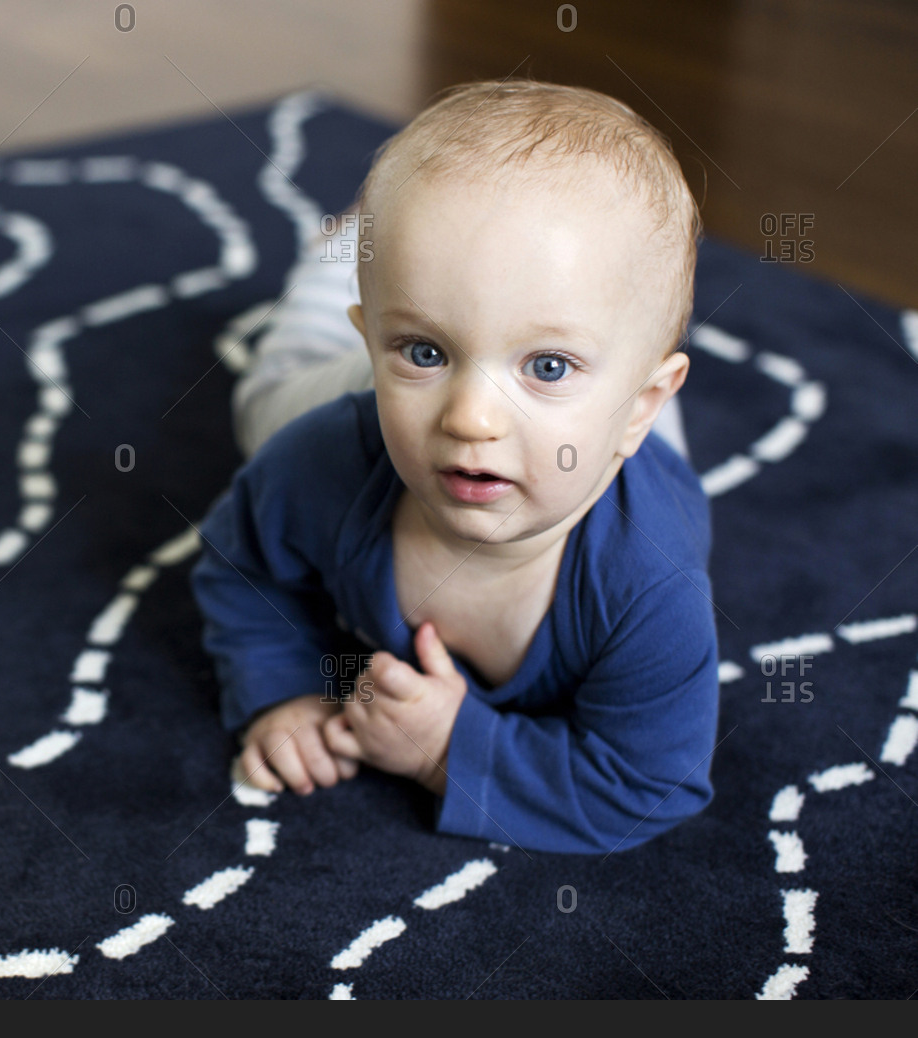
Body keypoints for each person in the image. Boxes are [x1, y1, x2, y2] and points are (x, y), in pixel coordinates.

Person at [190, 80, 719, 854]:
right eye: (424, 349)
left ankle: (485, 339)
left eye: (546, 363)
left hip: (607, 437)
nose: (472, 418)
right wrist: (285, 692)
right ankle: (350, 259)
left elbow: (646, 784)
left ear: (641, 404)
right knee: (268, 403)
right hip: (370, 397)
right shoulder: (326, 459)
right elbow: (242, 567)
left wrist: (446, 751)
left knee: (604, 369)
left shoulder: (649, 588)